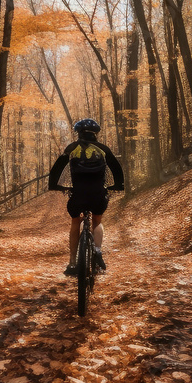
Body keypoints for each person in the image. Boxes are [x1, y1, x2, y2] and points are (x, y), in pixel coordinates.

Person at [48, 118, 124, 276]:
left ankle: (72, 262)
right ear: (96, 133)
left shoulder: (71, 148)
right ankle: (97, 251)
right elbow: (116, 169)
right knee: (97, 220)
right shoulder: (103, 149)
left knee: (75, 221)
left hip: (78, 195)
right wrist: (118, 186)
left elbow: (56, 168)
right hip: (97, 195)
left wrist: (55, 186)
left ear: (78, 133)